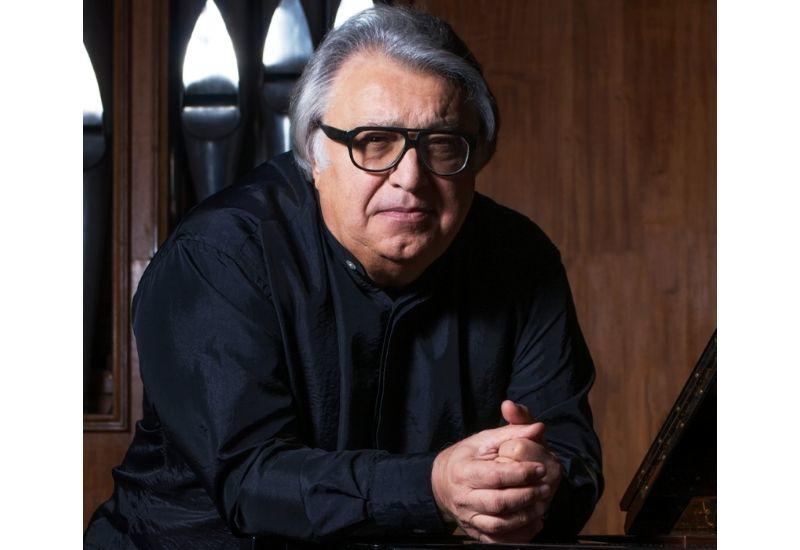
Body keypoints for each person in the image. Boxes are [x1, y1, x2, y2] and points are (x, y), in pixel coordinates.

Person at [85, 6, 602, 548]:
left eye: (443, 143)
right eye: (374, 141)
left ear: (478, 157)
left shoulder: (521, 259)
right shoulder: (217, 258)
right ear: (314, 152)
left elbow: (574, 459)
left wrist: (530, 484)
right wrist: (434, 486)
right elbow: (252, 482)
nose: (410, 178)